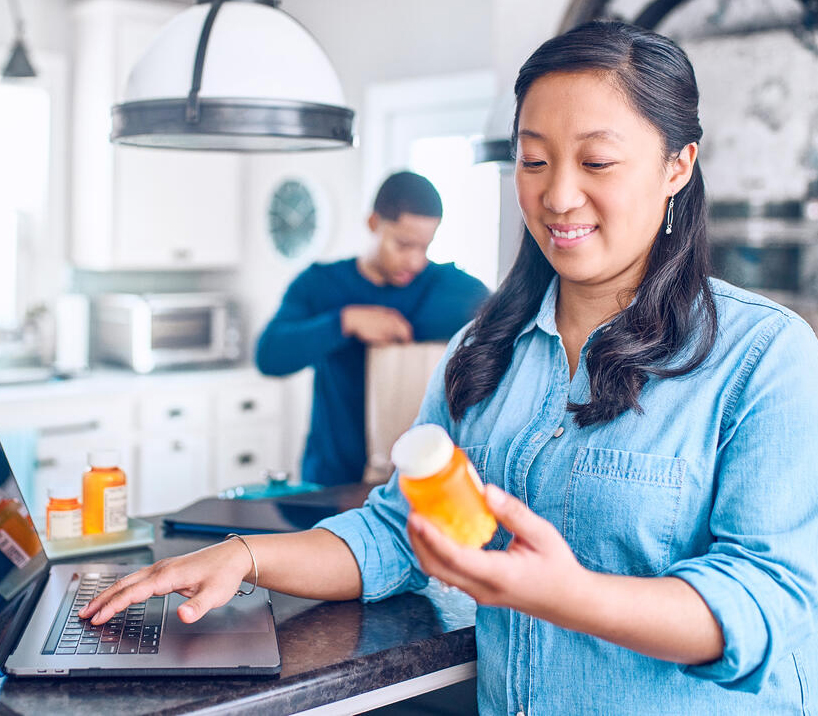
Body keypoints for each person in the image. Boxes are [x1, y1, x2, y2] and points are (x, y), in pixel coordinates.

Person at [80, 21, 818, 714]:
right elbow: (397, 531)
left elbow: (767, 603)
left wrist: (566, 594)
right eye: (533, 160)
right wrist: (243, 557)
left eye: (596, 162)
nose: (558, 195)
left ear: (677, 166)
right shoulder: (482, 349)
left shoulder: (763, 356)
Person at [255, 171, 490, 486]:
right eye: (403, 245)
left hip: (414, 479)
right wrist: (345, 322)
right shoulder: (320, 284)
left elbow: (506, 327)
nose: (415, 261)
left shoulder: (454, 289)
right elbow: (269, 356)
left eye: (424, 247)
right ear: (373, 223)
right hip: (332, 479)